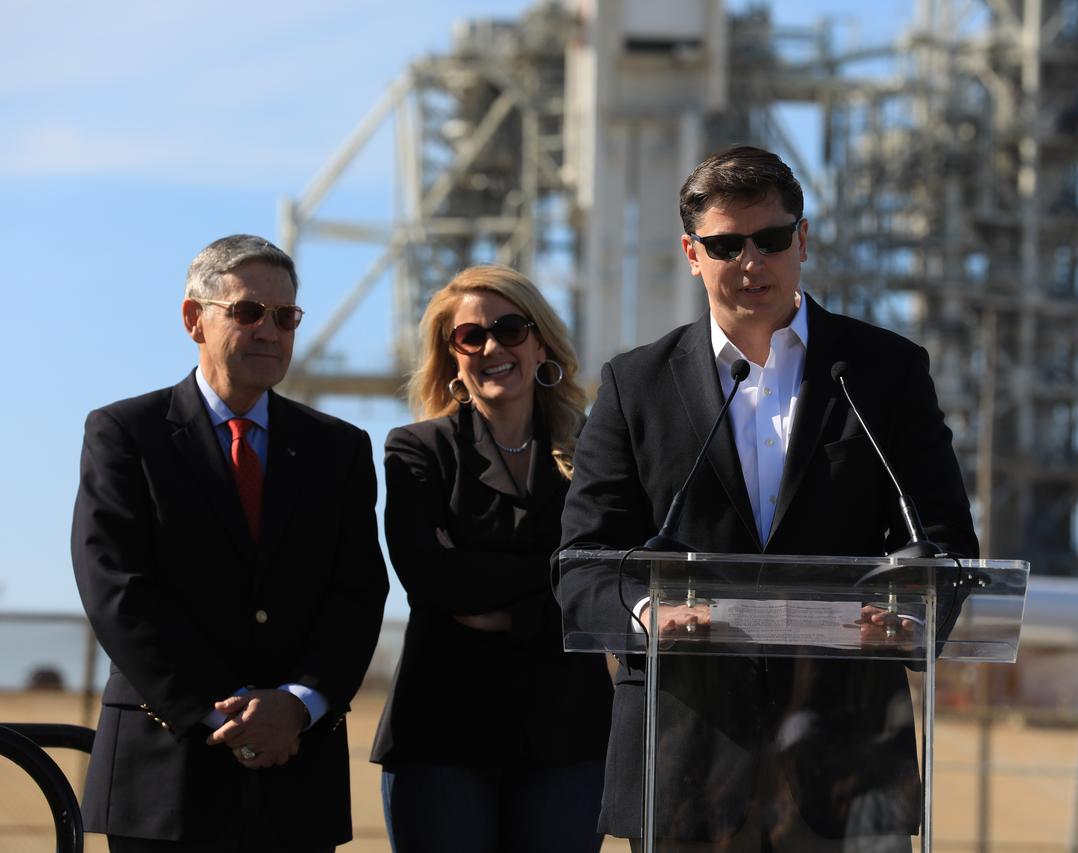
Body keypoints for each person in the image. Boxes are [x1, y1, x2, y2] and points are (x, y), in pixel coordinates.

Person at [556, 146, 980, 851]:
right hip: (686, 760)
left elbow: (944, 542)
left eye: (771, 239)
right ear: (692, 254)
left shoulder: (884, 372)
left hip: (846, 763)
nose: (751, 262)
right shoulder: (635, 385)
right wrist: (648, 613)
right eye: (726, 245)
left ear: (802, 241)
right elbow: (582, 562)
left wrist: (909, 612)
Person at [71, 234, 389, 852]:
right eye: (248, 312)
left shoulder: (338, 449)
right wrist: (226, 710)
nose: (269, 331)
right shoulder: (126, 433)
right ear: (195, 318)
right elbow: (117, 588)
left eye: (285, 316)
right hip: (166, 778)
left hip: (296, 777)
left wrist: (297, 704)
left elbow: (357, 593)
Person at [371, 265, 614, 852]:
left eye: (509, 329)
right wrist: (555, 584)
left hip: (568, 735)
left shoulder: (597, 452)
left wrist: (500, 601)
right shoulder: (418, 450)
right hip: (442, 737)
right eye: (470, 336)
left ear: (540, 343)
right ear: (451, 356)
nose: (491, 348)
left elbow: (605, 576)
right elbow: (432, 580)